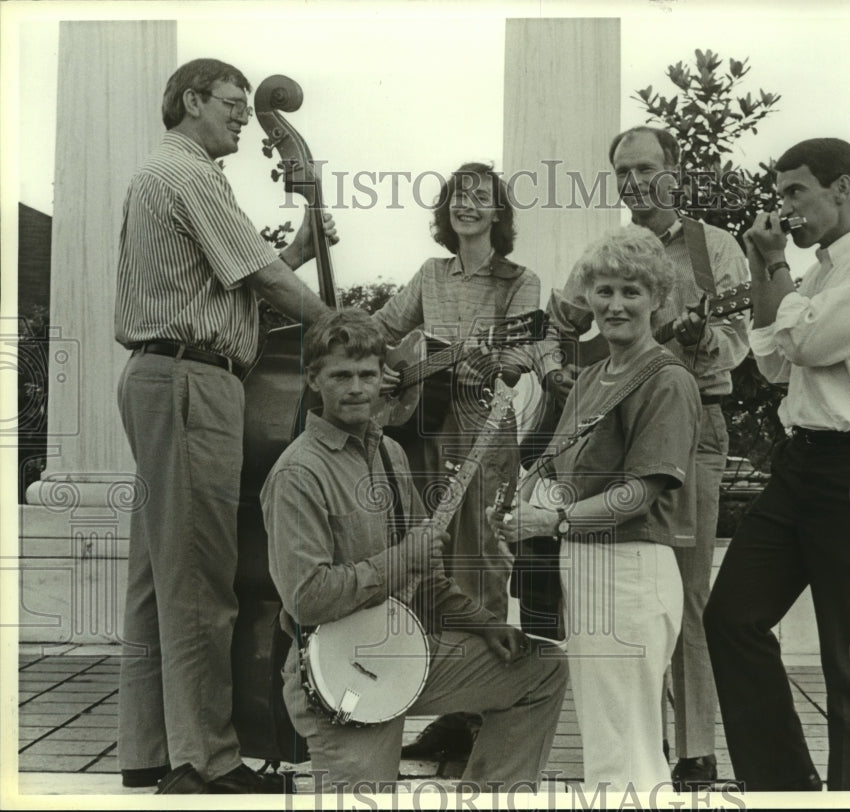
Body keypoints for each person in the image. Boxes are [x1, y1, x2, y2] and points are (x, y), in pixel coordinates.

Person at [113, 58, 336, 794]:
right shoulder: (191, 175)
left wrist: (300, 252)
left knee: (158, 577)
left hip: (162, 375)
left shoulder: (168, 175)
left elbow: (229, 282)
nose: (244, 116)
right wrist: (340, 324)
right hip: (190, 383)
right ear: (190, 101)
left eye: (247, 105)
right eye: (232, 103)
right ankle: (208, 761)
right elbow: (264, 280)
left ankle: (151, 750)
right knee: (202, 581)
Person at [260, 309, 567, 791]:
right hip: (340, 673)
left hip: (404, 651)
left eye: (367, 375)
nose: (357, 388)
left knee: (540, 668)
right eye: (341, 375)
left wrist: (484, 624)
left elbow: (424, 577)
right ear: (313, 379)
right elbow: (306, 599)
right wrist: (406, 557)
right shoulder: (297, 474)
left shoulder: (390, 454)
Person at [703, 138, 850, 791]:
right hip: (802, 464)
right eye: (780, 193)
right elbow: (772, 362)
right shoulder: (819, 270)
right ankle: (784, 793)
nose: (784, 208)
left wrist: (773, 264)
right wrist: (761, 264)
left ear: (843, 189)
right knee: (733, 618)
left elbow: (807, 340)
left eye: (795, 191)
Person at [544, 126, 749, 787]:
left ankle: (692, 746)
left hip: (692, 422)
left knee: (684, 586)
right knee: (613, 580)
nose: (634, 182)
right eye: (622, 171)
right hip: (617, 424)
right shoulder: (607, 252)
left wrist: (704, 337)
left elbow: (742, 342)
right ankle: (637, 745)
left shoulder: (713, 246)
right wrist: (561, 379)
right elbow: (557, 329)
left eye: (645, 169)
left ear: (676, 171)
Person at [491, 226, 701, 790]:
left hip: (630, 572)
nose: (615, 305)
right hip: (584, 568)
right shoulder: (589, 379)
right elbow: (562, 475)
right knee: (609, 743)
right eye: (604, 290)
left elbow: (640, 494)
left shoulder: (667, 380)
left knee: (625, 747)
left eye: (631, 292)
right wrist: (522, 500)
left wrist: (549, 519)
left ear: (658, 299)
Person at [371, 163, 544, 760]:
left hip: (483, 426)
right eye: (457, 198)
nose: (467, 206)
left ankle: (480, 710)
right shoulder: (431, 274)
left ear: (499, 214)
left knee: (482, 556)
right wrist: (389, 367)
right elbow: (384, 329)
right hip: (426, 426)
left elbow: (522, 351)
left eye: (481, 198)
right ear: (445, 212)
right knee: (429, 556)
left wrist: (499, 362)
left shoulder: (519, 282)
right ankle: (442, 701)